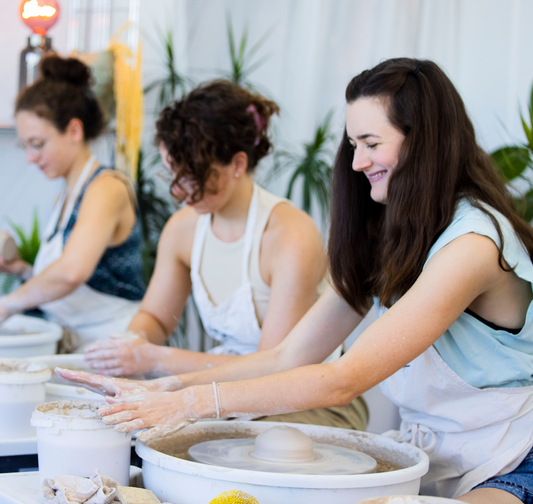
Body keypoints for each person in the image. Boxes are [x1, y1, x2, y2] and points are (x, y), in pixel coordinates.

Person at [57, 58, 533, 502]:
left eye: (372, 144)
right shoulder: (395, 232)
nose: (357, 163)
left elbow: (344, 379)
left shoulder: (473, 244)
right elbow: (287, 355)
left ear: (425, 141)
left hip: (512, 456)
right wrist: (170, 388)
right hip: (440, 452)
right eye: (353, 146)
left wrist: (191, 403)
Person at [82, 79, 368, 431]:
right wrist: (132, 344)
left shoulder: (289, 236)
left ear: (237, 163)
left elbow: (276, 364)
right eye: (173, 174)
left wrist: (157, 358)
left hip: (303, 402)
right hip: (225, 393)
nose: (179, 192)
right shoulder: (183, 229)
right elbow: (155, 317)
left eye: (193, 177)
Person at [0, 56, 145, 352]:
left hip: (114, 346)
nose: (30, 157)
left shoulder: (107, 188)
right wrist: (22, 270)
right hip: (76, 345)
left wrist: (8, 304)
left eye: (38, 144)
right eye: (25, 146)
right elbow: (75, 285)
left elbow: (71, 273)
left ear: (74, 131)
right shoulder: (65, 196)